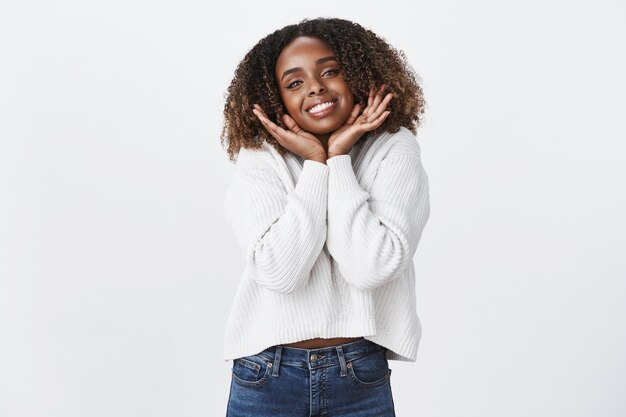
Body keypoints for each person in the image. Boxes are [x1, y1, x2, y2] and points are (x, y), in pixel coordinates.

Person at [220, 16, 430, 417]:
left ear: (358, 75)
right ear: (276, 99)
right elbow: (280, 272)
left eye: (330, 71)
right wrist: (316, 165)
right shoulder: (260, 159)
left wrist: (339, 161)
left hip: (359, 375)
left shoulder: (394, 149)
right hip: (266, 375)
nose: (315, 87)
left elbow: (372, 266)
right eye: (294, 82)